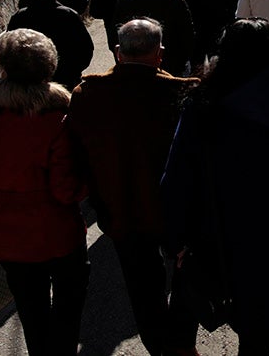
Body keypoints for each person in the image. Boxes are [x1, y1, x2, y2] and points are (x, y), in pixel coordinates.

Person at [162, 19, 269, 355]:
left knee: (199, 314)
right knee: (258, 335)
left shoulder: (201, 109)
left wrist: (173, 240)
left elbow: (176, 181)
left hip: (214, 237)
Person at [67, 19, 199, 356]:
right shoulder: (182, 94)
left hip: (120, 211)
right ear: (160, 55)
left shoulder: (87, 96)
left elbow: (77, 155)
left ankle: (161, 347)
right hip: (177, 211)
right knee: (189, 279)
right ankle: (182, 344)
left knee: (143, 290)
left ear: (117, 53)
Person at [0, 29, 88, 356]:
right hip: (57, 233)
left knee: (31, 311)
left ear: (2, 67)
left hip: (6, 235)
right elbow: (65, 189)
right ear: (49, 69)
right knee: (68, 305)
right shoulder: (56, 117)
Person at [8, 0, 94, 90]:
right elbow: (86, 48)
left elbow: (9, 48)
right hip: (66, 79)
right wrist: (74, 71)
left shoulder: (19, 17)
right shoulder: (69, 15)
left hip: (29, 83)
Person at [115, 0, 195, 77]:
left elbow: (116, 31)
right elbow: (187, 32)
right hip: (170, 61)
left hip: (134, 63)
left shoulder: (126, 0)